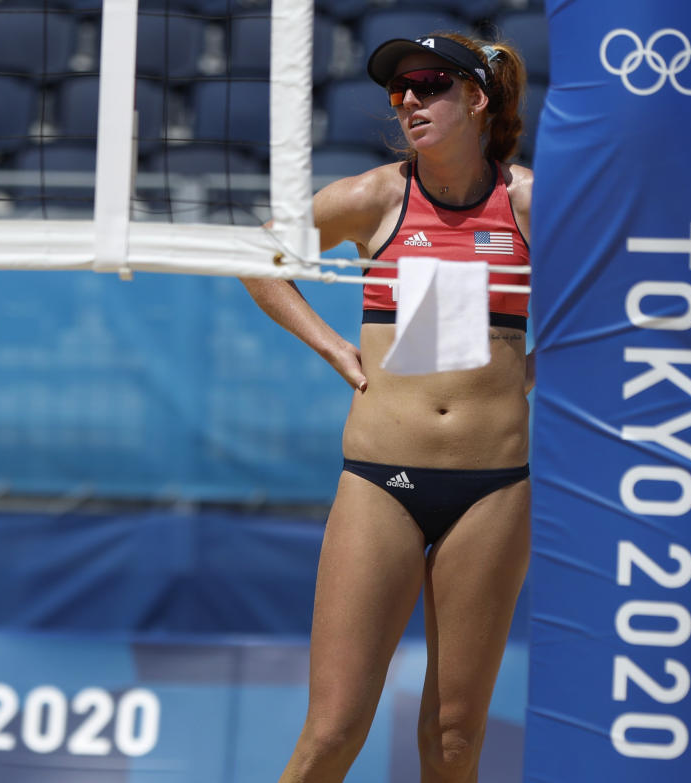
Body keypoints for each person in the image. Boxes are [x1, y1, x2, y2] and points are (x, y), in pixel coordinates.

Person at [243, 32, 533, 782]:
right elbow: (257, 261)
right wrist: (335, 348)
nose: (408, 99)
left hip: (494, 487)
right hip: (381, 479)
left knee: (455, 740)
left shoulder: (530, 202)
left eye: (429, 83)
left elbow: (616, 292)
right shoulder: (375, 196)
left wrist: (539, 365)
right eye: (398, 89)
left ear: (476, 97)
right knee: (333, 732)